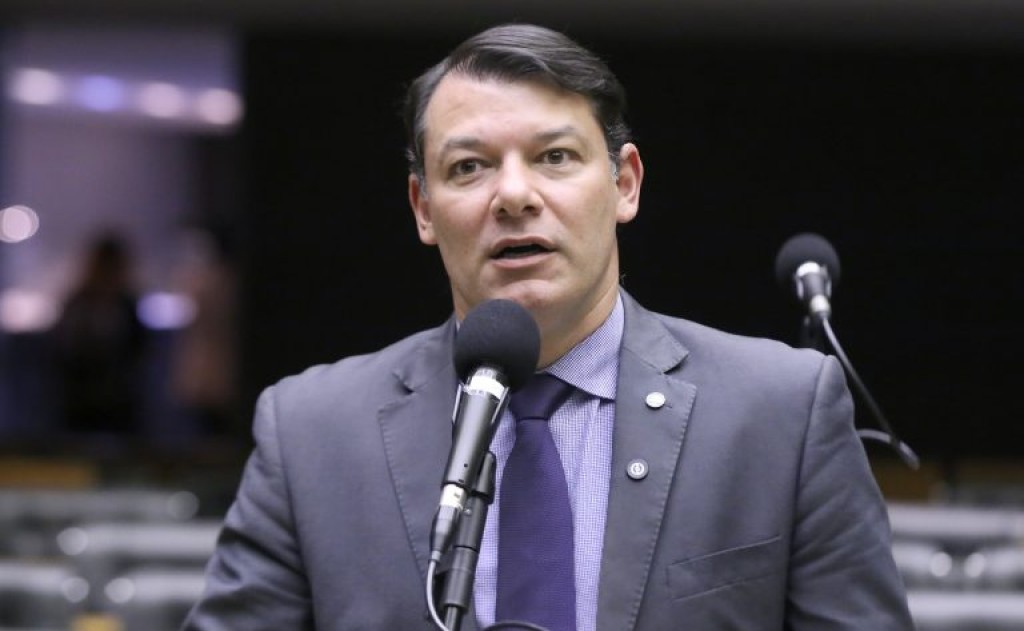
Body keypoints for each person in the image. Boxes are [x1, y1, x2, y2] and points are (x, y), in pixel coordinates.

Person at [184, 23, 913, 630]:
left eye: (554, 157)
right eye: (469, 168)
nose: (513, 194)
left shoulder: (781, 412)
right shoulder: (311, 433)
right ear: (423, 209)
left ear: (625, 183)